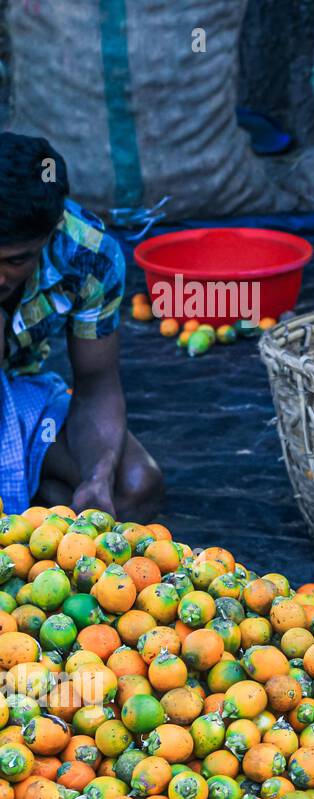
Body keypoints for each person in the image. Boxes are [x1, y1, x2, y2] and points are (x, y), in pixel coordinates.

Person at [0, 132, 164, 520]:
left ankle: (37, 504)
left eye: (15, 260)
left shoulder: (89, 256)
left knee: (135, 485)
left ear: (51, 232)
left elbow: (96, 386)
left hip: (19, 392)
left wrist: (97, 475)